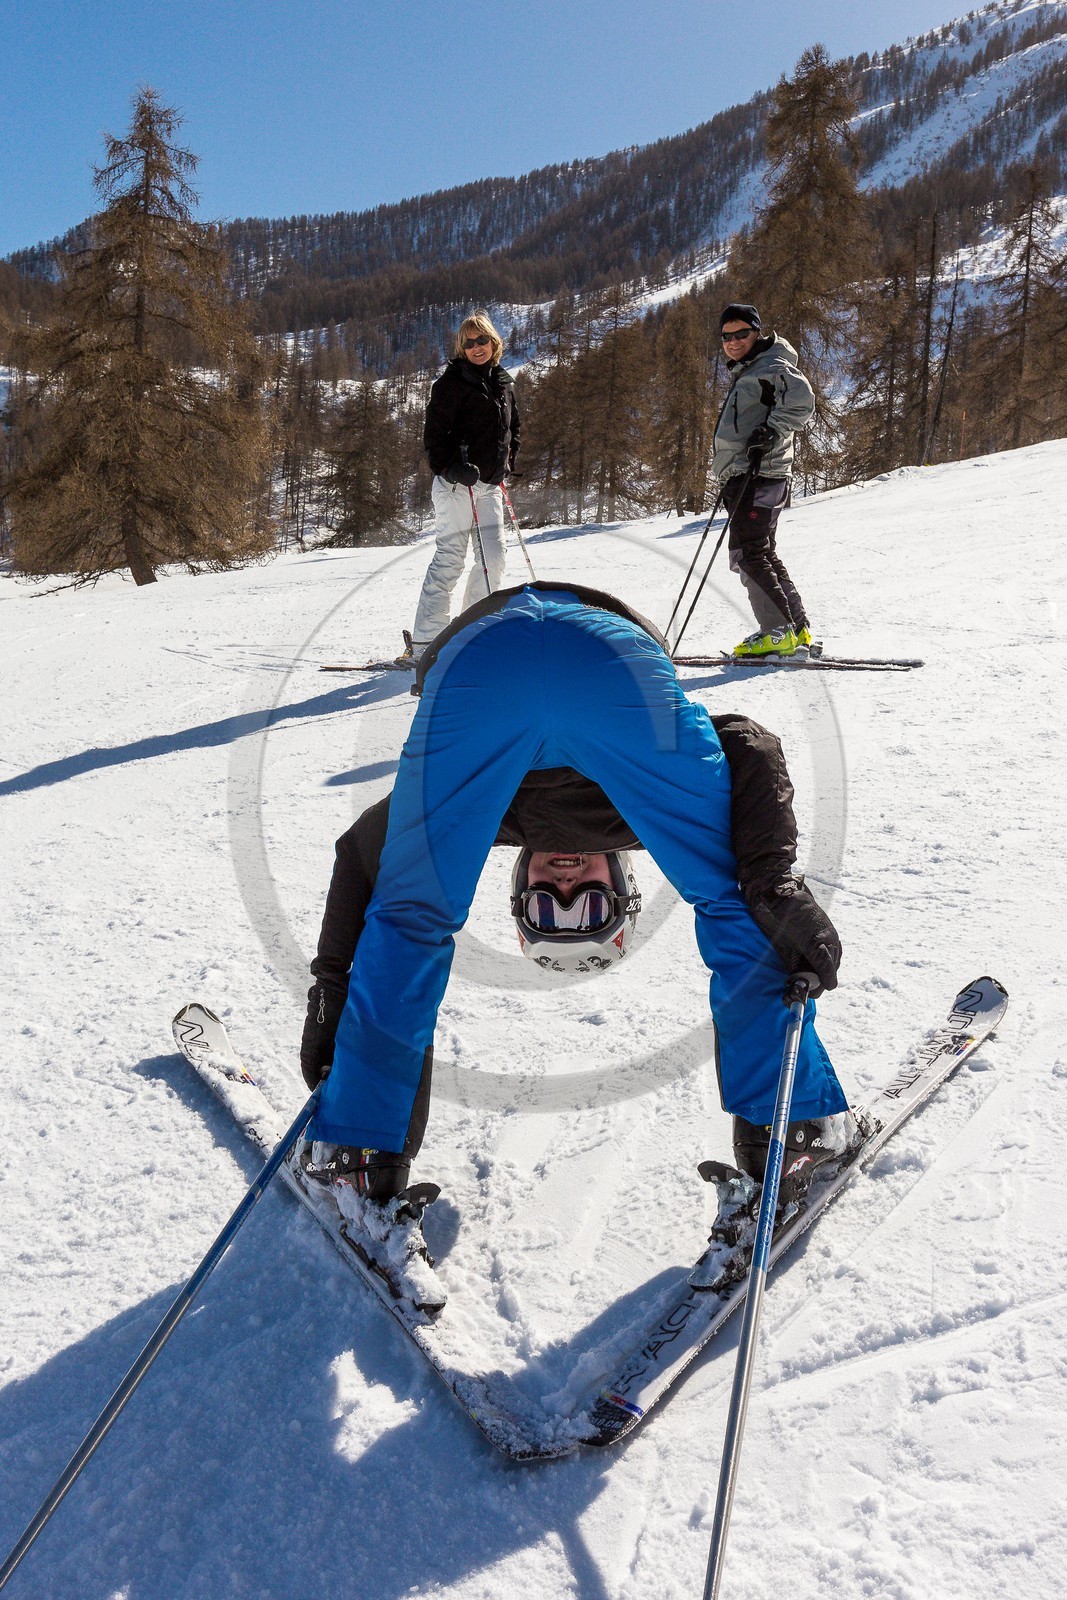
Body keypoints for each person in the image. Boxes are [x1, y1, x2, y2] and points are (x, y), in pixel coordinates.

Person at [297, 581, 860, 1230]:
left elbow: (363, 852)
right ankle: (792, 1130)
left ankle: (359, 1149)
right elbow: (746, 741)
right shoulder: (632, 820)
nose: (565, 884)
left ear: (520, 887)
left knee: (409, 917)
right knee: (735, 899)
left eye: (548, 906)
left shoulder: (494, 816)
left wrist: (333, 987)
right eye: (589, 904)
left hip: (481, 665)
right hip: (602, 658)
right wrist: (769, 883)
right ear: (619, 882)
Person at [397, 312, 520, 665]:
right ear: (461, 348)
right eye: (469, 343)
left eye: (482, 340)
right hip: (455, 487)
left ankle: (471, 633)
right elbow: (434, 439)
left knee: (493, 560)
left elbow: (513, 428)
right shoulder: (449, 384)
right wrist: (452, 468)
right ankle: (426, 644)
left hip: (490, 486)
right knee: (450, 560)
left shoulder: (504, 382)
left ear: (494, 342)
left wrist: (507, 460)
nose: (476, 347)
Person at [713, 303, 816, 659]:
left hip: (758, 474)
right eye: (726, 336)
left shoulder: (772, 366)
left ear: (757, 332)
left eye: (741, 334)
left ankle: (776, 632)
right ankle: (796, 628)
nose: (733, 342)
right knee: (761, 552)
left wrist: (771, 431)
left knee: (748, 554)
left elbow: (802, 402)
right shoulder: (753, 368)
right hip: (752, 473)